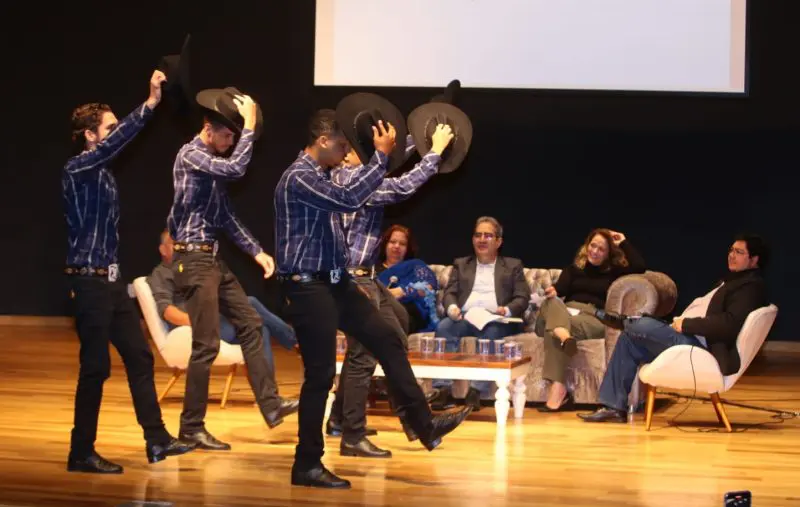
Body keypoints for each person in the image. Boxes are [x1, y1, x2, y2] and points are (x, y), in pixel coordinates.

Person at [275, 109, 470, 489]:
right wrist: (383, 155)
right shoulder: (299, 177)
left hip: (335, 283)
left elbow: (386, 182)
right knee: (319, 376)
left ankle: (424, 425)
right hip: (307, 286)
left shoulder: (325, 175)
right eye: (344, 146)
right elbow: (349, 199)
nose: (348, 152)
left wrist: (420, 145)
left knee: (387, 339)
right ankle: (307, 464)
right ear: (323, 141)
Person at [62, 70, 195, 474]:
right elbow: (118, 141)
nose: (115, 133)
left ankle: (156, 440)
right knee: (96, 368)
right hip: (88, 282)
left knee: (139, 357)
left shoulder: (103, 173)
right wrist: (151, 103)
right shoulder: (79, 168)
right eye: (109, 128)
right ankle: (80, 452)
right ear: (90, 135)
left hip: (111, 281)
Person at [167, 88, 298, 451]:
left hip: (212, 259)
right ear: (208, 128)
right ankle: (191, 427)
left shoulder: (211, 169)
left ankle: (270, 405)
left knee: (252, 323)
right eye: (228, 135)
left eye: (236, 136)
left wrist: (257, 252)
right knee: (206, 345)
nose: (231, 141)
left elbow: (226, 216)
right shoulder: (192, 154)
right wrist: (252, 126)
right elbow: (237, 167)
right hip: (193, 260)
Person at [325, 125, 453, 459]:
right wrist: (434, 152)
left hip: (367, 279)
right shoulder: (349, 180)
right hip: (353, 280)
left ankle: (408, 422)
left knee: (393, 337)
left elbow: (389, 163)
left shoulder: (356, 175)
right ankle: (354, 434)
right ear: (349, 151)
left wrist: (419, 139)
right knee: (362, 355)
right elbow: (400, 187)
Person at [578, 234, 770, 423]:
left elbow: (728, 325)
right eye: (731, 250)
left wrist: (686, 324)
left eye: (739, 252)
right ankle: (613, 406)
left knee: (641, 325)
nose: (731, 255)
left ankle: (624, 321)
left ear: (754, 260)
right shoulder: (732, 281)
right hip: (690, 337)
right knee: (629, 340)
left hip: (702, 348)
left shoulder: (750, 287)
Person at [147, 230, 298, 372]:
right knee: (250, 303)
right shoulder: (162, 274)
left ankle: (269, 398)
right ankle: (296, 341)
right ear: (163, 250)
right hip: (191, 332)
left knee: (258, 330)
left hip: (215, 324)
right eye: (176, 245)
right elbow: (166, 310)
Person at [535, 228, 645, 411]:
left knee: (551, 327)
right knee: (552, 303)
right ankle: (563, 334)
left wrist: (624, 241)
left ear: (609, 253)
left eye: (601, 249)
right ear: (587, 246)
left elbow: (640, 267)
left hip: (591, 317)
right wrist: (552, 292)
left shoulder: (614, 272)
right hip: (565, 313)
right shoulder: (573, 269)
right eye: (593, 245)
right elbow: (559, 290)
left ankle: (558, 388)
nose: (594, 251)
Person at [430, 216, 531, 411]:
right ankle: (443, 389)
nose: (482, 240)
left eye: (488, 235)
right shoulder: (461, 264)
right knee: (444, 327)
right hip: (466, 316)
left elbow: (522, 297)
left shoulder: (512, 265)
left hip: (497, 319)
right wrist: (452, 308)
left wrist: (507, 309)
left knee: (491, 331)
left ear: (499, 241)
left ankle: (476, 391)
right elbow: (450, 292)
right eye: (478, 235)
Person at [376, 224, 441, 334]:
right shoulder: (373, 270)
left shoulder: (415, 266)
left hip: (408, 314)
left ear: (408, 248)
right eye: (392, 242)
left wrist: (403, 291)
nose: (397, 246)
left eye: (402, 244)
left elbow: (429, 286)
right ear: (385, 245)